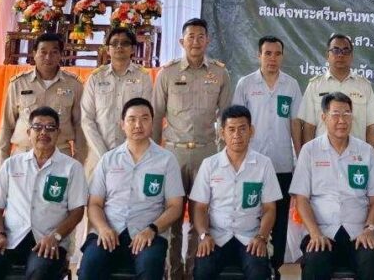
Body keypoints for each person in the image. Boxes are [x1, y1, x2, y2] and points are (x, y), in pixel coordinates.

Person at [152, 17, 232, 280]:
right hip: (173, 154)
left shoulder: (220, 73)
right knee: (172, 218)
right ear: (181, 41)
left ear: (208, 40)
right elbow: (156, 115)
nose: (195, 41)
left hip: (206, 154)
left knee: (201, 217)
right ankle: (174, 273)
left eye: (200, 36)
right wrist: (154, 154)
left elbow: (226, 118)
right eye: (191, 36)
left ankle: (194, 271)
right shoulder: (168, 73)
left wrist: (224, 156)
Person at [0, 106, 88, 279]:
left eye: (50, 128)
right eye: (38, 127)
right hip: (10, 239)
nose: (43, 132)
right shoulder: (12, 164)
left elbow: (77, 211)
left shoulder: (72, 167)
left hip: (50, 241)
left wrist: (56, 236)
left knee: (39, 273)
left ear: (58, 133)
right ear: (28, 132)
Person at [78, 98, 185, 280]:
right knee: (90, 266)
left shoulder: (166, 160)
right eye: (132, 119)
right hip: (109, 232)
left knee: (150, 267)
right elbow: (94, 203)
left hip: (148, 234)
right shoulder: (108, 160)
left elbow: (175, 206)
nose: (138, 125)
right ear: (122, 124)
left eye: (144, 119)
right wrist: (103, 228)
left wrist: (152, 229)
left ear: (153, 123)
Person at [290, 92, 374, 280]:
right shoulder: (310, 151)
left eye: (347, 114)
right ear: (323, 117)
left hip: (359, 232)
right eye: (335, 114)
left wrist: (369, 229)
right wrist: (315, 233)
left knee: (373, 262)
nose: (342, 120)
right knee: (315, 262)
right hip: (322, 231)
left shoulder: (366, 151)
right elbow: (301, 199)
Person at [232, 35, 302, 275]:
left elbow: (295, 124)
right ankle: (254, 264)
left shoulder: (291, 85)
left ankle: (276, 267)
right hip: (251, 163)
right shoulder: (245, 84)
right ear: (258, 55)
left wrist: (300, 158)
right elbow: (237, 122)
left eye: (277, 54)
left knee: (280, 219)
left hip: (282, 164)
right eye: (267, 53)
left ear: (283, 56)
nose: (272, 58)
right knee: (252, 214)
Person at [190, 105, 283, 280]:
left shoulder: (264, 164)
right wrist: (204, 235)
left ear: (251, 131)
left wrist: (261, 237)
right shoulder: (209, 165)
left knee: (258, 272)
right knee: (202, 270)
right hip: (216, 237)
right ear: (222, 133)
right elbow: (200, 207)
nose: (237, 135)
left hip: (250, 237)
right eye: (231, 129)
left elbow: (270, 208)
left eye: (242, 129)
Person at [0, 32, 85, 164]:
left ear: (61, 55)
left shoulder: (74, 85)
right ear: (34, 54)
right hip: (24, 153)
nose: (48, 57)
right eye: (43, 52)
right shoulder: (19, 83)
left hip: (60, 154)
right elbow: (7, 124)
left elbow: (80, 126)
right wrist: (2, 161)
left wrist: (78, 160)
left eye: (54, 52)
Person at [82, 27, 153, 176]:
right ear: (108, 49)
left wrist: (128, 152)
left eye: (125, 43)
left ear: (133, 49)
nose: (119, 46)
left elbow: (146, 117)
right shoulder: (96, 78)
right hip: (98, 155)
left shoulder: (143, 77)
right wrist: (103, 154)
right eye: (114, 43)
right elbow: (87, 119)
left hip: (132, 156)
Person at [298, 33, 374, 151]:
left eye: (345, 51)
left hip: (357, 155)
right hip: (322, 156)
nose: (340, 55)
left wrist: (372, 156)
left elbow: (371, 126)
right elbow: (309, 127)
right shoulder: (315, 86)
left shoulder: (364, 86)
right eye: (336, 50)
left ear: (352, 56)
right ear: (327, 55)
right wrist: (310, 155)